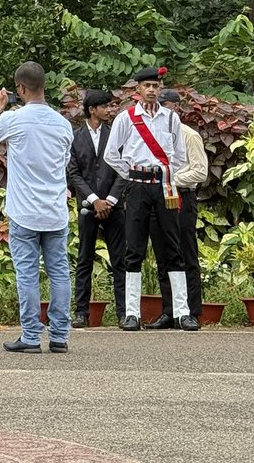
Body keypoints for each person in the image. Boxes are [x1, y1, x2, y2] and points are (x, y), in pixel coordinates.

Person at [0, 61, 74, 354]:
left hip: (24, 211)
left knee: (28, 273)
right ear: (44, 86)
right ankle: (59, 336)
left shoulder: (14, 119)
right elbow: (65, 161)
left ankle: (31, 337)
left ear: (19, 88)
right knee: (59, 272)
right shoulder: (63, 124)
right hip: (55, 209)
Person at [102, 66, 199, 331]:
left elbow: (179, 155)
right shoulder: (126, 118)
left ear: (160, 88)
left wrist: (165, 173)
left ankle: (182, 312)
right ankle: (132, 313)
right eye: (147, 86)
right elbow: (112, 154)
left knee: (172, 247)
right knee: (133, 248)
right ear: (138, 90)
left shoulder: (170, 119)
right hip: (137, 186)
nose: (152, 90)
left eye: (156, 86)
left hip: (165, 186)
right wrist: (133, 173)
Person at [145, 87, 208, 329]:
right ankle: (169, 310)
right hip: (156, 196)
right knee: (163, 254)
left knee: (185, 253)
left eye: (165, 105)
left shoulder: (188, 135)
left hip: (182, 196)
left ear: (176, 107)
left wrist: (171, 179)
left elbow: (200, 171)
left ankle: (191, 311)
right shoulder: (153, 135)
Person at [67, 89, 126, 326]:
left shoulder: (115, 135)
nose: (109, 110)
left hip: (114, 207)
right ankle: (81, 312)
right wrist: (94, 200)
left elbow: (124, 169)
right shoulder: (75, 136)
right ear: (92, 109)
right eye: (105, 107)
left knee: (119, 260)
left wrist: (110, 200)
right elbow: (72, 172)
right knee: (84, 259)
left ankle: (124, 313)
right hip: (87, 206)